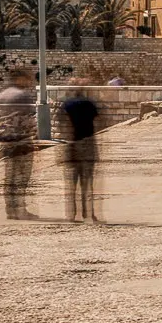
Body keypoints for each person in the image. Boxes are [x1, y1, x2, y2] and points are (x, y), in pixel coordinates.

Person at [0, 67, 37, 219]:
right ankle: (20, 210)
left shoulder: (2, 96)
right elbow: (30, 121)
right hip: (21, 141)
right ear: (19, 79)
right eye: (27, 78)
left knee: (9, 176)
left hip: (6, 141)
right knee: (22, 177)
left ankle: (10, 210)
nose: (29, 81)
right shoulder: (22, 96)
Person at [60, 85, 101, 222]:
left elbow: (63, 126)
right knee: (87, 183)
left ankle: (71, 214)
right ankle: (89, 213)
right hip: (88, 147)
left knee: (71, 184)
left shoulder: (67, 105)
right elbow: (98, 123)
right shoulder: (90, 104)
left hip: (72, 146)